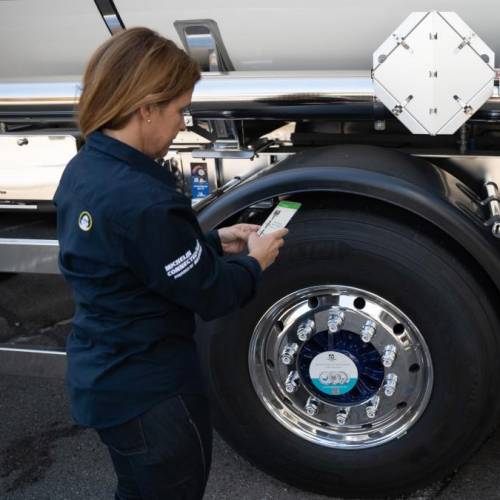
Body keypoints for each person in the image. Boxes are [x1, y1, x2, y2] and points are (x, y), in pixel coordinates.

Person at [53, 27, 288, 500]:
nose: (184, 123)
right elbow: (213, 294)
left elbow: (134, 256)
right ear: (146, 108)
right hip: (152, 395)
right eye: (180, 109)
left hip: (104, 380)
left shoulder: (86, 171)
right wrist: (256, 262)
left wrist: (212, 241)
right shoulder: (145, 199)